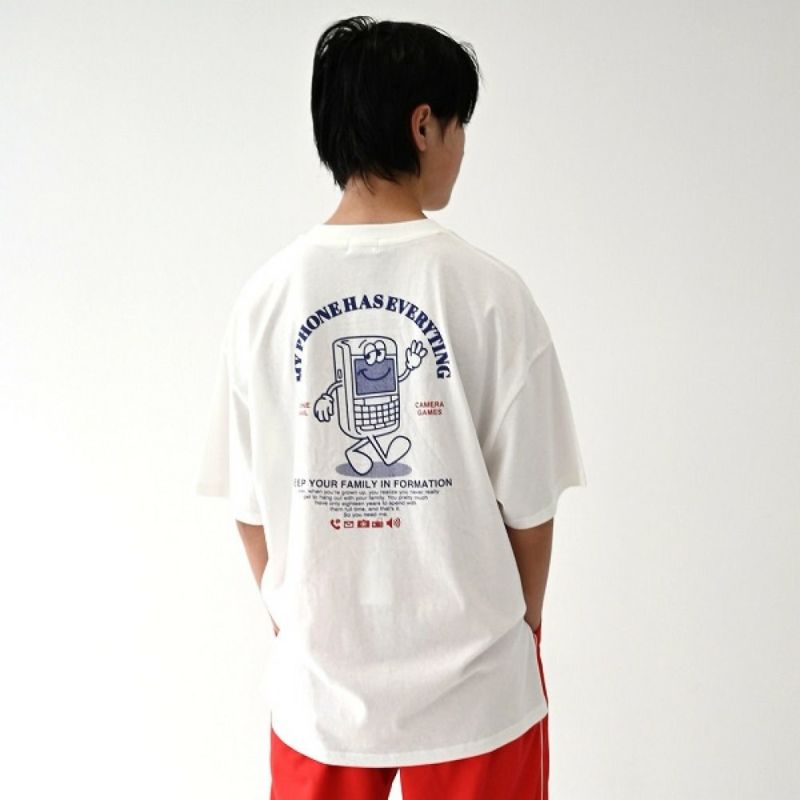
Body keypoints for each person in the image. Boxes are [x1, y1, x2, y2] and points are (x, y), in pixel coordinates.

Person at [196, 14, 587, 800]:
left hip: (322, 691)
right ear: (423, 125)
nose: (462, 147)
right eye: (459, 125)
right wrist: (517, 630)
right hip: (476, 691)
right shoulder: (491, 295)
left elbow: (249, 507)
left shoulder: (266, 299)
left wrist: (299, 621)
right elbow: (530, 510)